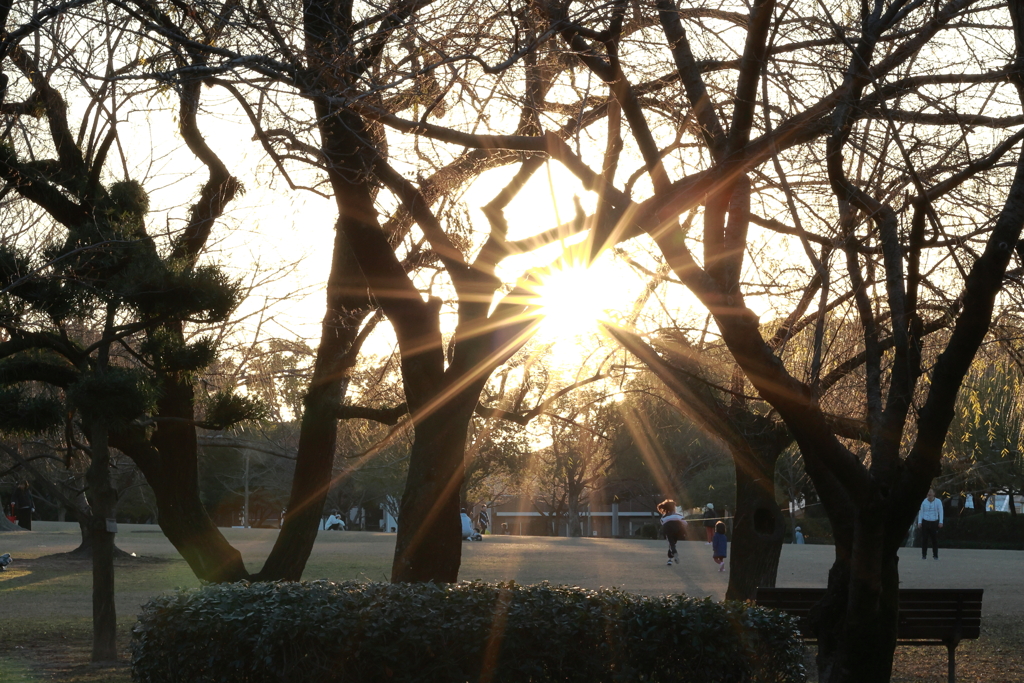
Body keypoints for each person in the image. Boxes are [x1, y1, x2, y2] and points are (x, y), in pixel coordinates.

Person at [657, 499, 686, 566]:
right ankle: (670, 559)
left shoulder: (664, 517)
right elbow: (685, 523)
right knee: (673, 543)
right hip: (678, 529)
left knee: (671, 543)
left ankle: (673, 553)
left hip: (668, 528)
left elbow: (662, 523)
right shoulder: (679, 515)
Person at [917, 488, 943, 560]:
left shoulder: (938, 501)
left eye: (931, 492)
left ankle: (935, 555)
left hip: (934, 522)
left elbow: (940, 511)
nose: (929, 494)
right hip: (925, 521)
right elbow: (921, 512)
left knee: (934, 540)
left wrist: (941, 521)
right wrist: (919, 522)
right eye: (928, 492)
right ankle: (924, 555)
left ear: (934, 493)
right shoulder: (924, 502)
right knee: (924, 539)